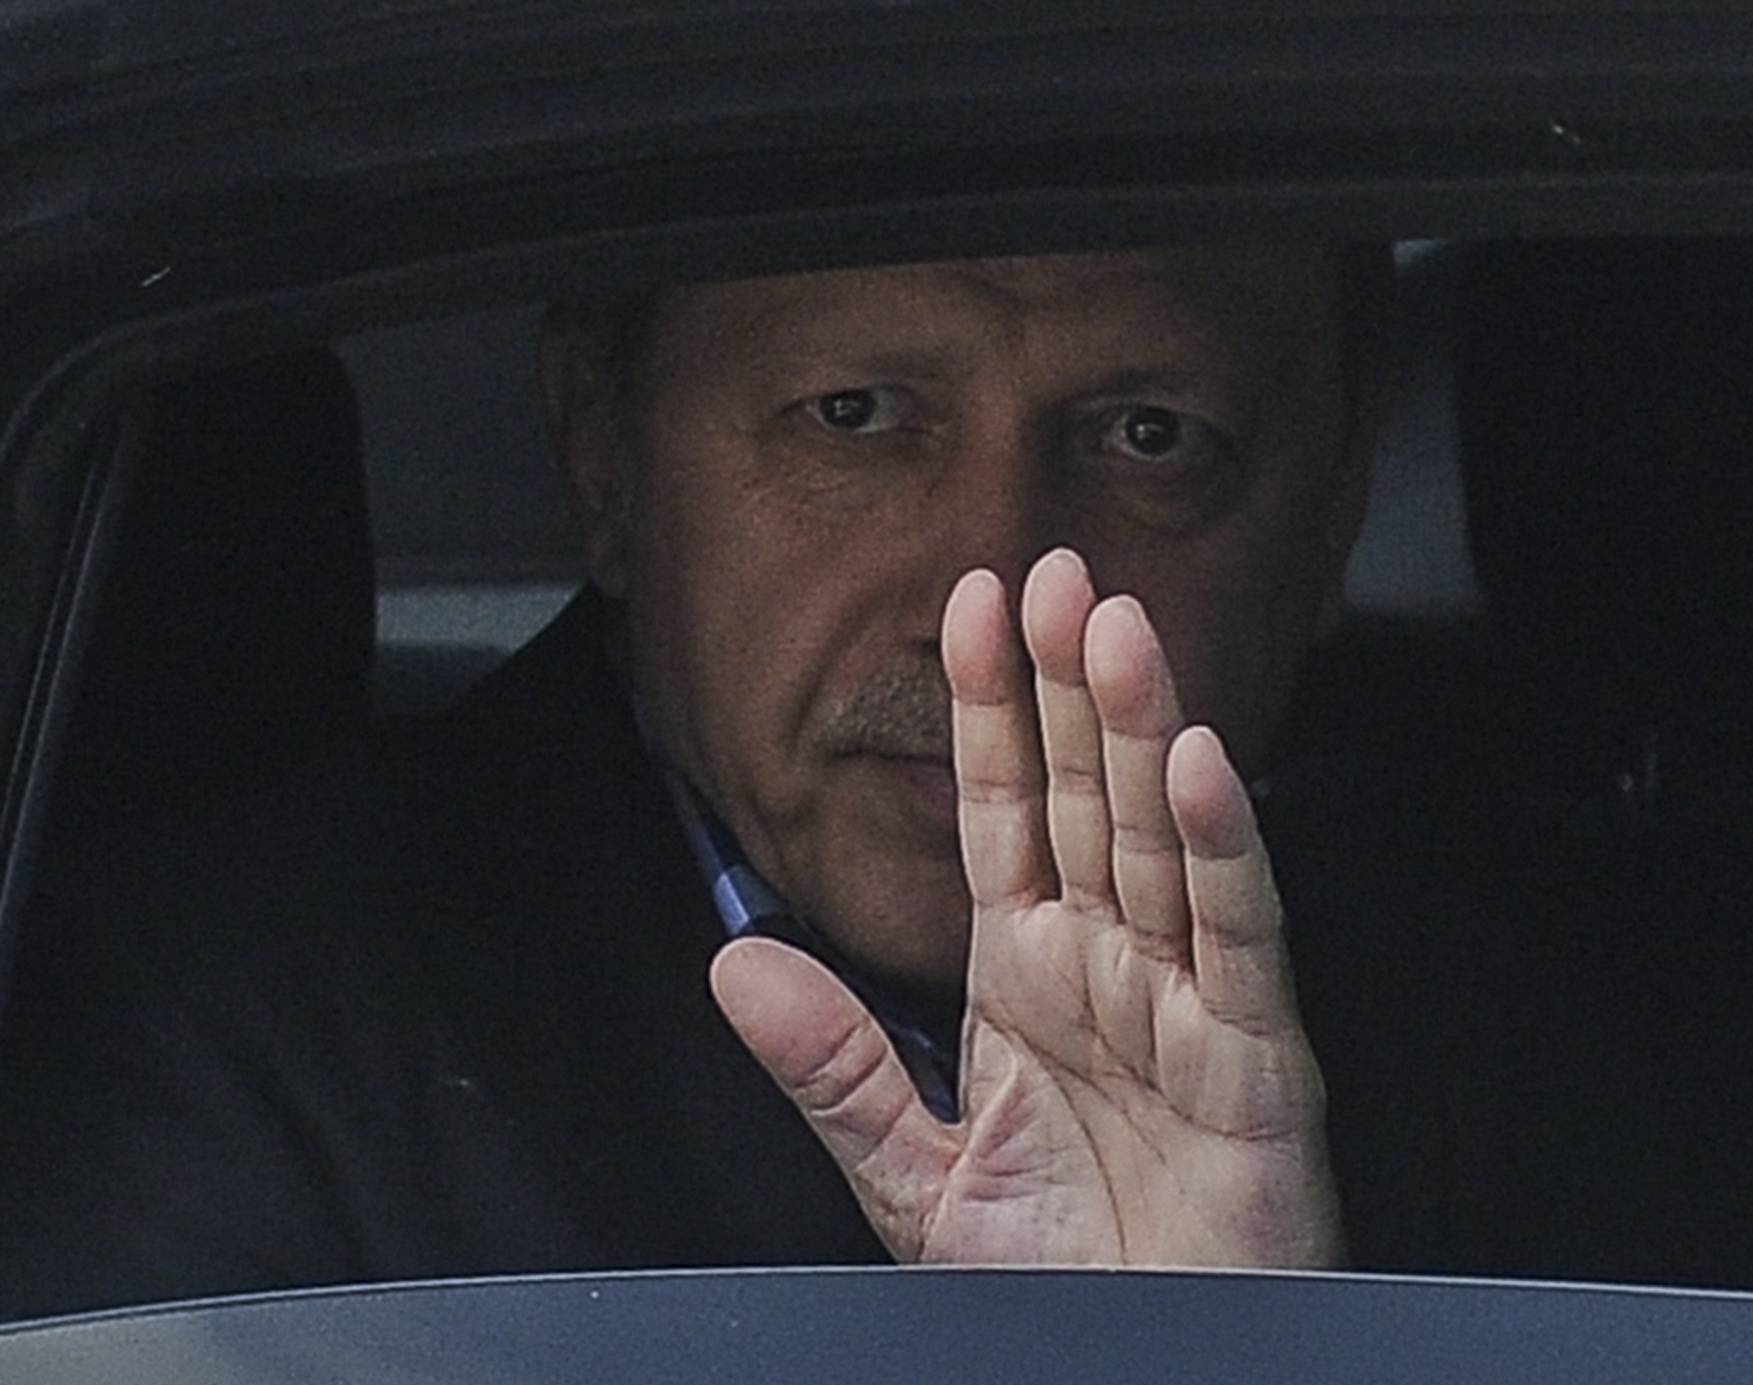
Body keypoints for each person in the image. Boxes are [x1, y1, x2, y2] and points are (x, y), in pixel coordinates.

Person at [0, 239, 1393, 1316]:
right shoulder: (222, 1043)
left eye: (1150, 434)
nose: (987, 595)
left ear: (1335, 513)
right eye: (853, 415)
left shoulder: (1551, 1039)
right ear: (605, 457)